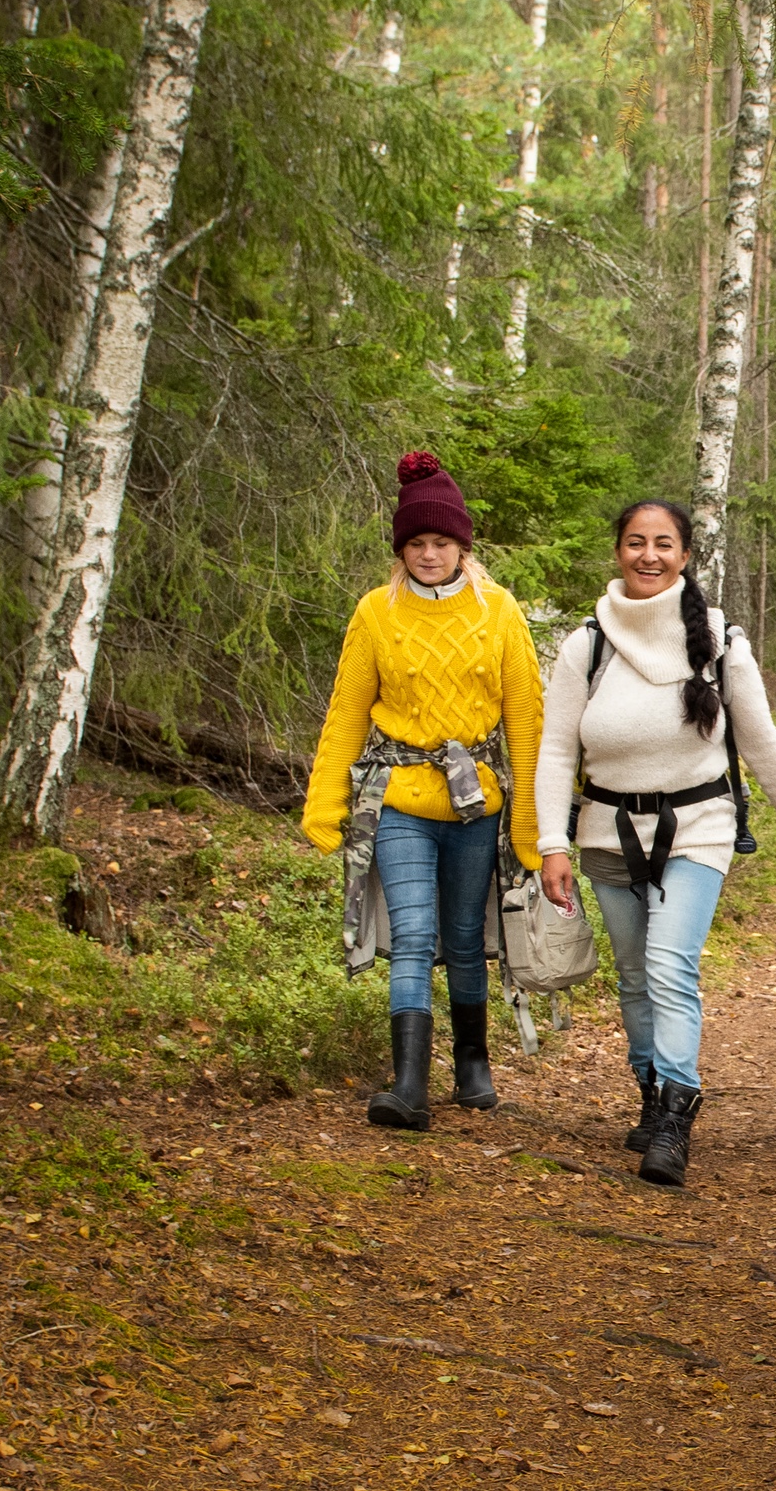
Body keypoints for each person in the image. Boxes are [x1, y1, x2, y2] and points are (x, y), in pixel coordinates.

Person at [535, 500, 776, 1186]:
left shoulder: (721, 640)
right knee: (635, 975)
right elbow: (554, 751)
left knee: (669, 966)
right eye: (635, 542)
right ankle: (648, 1089)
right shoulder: (588, 642)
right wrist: (552, 840)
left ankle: (676, 1110)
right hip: (606, 827)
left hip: (698, 826)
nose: (649, 555)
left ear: (685, 553)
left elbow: (759, 740)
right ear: (618, 551)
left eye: (663, 543)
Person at [302, 452, 543, 1131]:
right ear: (401, 548)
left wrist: (527, 821)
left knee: (465, 937)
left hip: (475, 803)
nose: (429, 553)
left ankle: (473, 1061)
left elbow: (527, 721)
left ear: (463, 546)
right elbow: (347, 711)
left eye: (441, 542)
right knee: (412, 934)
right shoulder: (375, 613)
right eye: (416, 543)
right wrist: (325, 804)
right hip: (400, 799)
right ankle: (408, 1083)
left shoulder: (499, 613)